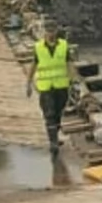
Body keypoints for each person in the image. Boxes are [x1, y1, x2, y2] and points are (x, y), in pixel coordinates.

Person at [25, 23, 76, 157]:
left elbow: (69, 63)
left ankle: (55, 136)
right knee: (50, 114)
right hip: (46, 87)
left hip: (61, 85)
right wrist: (28, 83)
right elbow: (33, 65)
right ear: (44, 33)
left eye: (53, 31)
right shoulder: (39, 47)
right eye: (48, 31)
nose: (50, 34)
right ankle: (53, 142)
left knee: (58, 113)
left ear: (56, 32)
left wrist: (73, 80)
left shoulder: (63, 46)